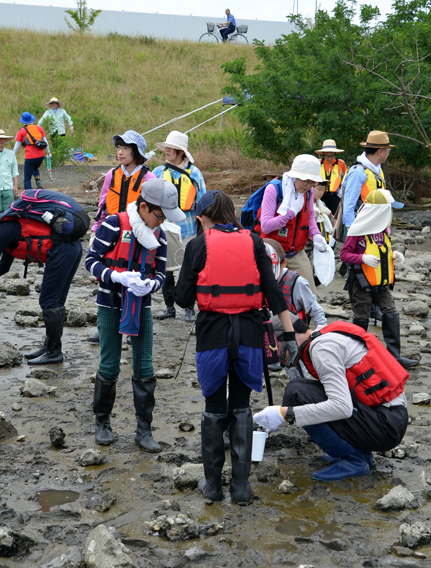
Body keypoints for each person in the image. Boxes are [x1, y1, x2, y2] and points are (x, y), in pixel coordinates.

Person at [175, 190, 298, 505]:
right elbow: (273, 291)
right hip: (249, 333)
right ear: (230, 215)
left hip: (213, 333)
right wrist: (286, 334)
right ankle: (241, 488)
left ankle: (213, 486)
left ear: (203, 218)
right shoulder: (255, 242)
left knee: (214, 406)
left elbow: (183, 299)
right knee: (242, 405)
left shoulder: (197, 245)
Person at [85, 179, 183, 452]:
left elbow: (162, 273)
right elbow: (90, 261)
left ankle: (144, 430)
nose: (161, 223)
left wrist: (150, 285)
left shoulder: (160, 236)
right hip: (110, 304)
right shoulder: (114, 224)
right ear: (143, 207)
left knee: (144, 365)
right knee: (109, 364)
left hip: (142, 305)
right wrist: (114, 275)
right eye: (160, 216)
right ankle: (102, 423)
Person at [252, 319, 409, 481]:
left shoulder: (321, 349)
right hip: (387, 416)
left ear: (286, 337)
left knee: (297, 394)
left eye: (275, 350)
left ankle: (354, 460)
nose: (278, 359)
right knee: (300, 388)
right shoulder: (324, 334)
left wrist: (284, 414)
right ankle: (362, 453)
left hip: (385, 427)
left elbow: (342, 407)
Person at [0, 193, 87, 365]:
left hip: (62, 252)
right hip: (72, 249)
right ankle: (49, 348)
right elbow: (2, 268)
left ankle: (54, 353)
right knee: (54, 301)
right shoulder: (5, 225)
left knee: (49, 301)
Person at [87, 130, 155, 343]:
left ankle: (130, 324)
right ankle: (107, 325)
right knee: (108, 277)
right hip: (112, 233)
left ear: (136, 152)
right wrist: (96, 229)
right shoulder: (111, 175)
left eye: (125, 148)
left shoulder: (148, 177)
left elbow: (154, 209)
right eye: (118, 148)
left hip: (138, 234)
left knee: (134, 277)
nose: (120, 152)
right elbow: (103, 203)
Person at [340, 189, 417, 370]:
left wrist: (394, 255)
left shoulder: (383, 231)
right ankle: (355, 355)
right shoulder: (357, 231)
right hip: (361, 283)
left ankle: (394, 356)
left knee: (390, 311)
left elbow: (381, 251)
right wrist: (362, 258)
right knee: (362, 316)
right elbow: (344, 254)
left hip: (381, 284)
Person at [257, 154, 329, 297]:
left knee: (310, 296)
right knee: (269, 297)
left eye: (312, 182)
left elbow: (309, 218)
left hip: (296, 252)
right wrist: (289, 214)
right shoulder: (274, 190)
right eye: (304, 180)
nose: (307, 185)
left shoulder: (308, 192)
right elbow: (265, 226)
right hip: (271, 252)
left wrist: (316, 235)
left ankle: (303, 320)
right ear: (295, 175)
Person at [152, 130, 206, 322]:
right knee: (165, 270)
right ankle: (169, 308)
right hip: (164, 229)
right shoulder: (158, 172)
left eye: (171, 148)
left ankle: (189, 309)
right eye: (166, 147)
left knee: (188, 271)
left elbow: (202, 203)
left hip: (189, 229)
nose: (166, 150)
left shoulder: (195, 173)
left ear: (181, 151)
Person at [341, 130, 403, 231]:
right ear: (380, 151)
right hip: (361, 226)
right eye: (388, 150)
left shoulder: (377, 169)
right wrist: (352, 232)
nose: (388, 153)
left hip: (375, 225)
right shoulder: (358, 172)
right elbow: (349, 207)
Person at [264, 238, 327, 329]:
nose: (269, 277)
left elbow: (316, 311)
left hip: (292, 334)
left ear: (284, 263)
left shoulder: (297, 282)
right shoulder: (253, 280)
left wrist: (322, 333)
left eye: (273, 271)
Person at [14, 112, 51, 190]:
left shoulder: (22, 131)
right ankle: (38, 181)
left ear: (23, 121)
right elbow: (45, 141)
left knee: (27, 177)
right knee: (34, 167)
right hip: (41, 155)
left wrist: (13, 155)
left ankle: (28, 194)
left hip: (30, 156)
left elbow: (17, 146)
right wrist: (48, 152)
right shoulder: (39, 128)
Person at [314, 139, 347, 213]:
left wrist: (342, 192)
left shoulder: (341, 163)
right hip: (321, 194)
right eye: (326, 155)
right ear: (323, 154)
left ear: (335, 154)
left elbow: (346, 178)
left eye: (332, 155)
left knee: (335, 216)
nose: (329, 158)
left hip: (335, 195)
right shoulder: (318, 163)